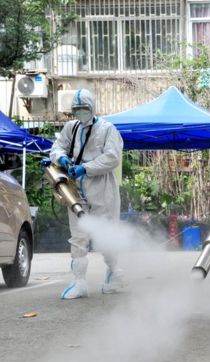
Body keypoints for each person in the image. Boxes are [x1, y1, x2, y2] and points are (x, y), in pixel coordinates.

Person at [49, 88, 124, 299]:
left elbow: (112, 157)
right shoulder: (70, 128)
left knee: (106, 235)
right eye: (77, 109)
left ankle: (114, 274)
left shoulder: (107, 129)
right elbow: (57, 147)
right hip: (75, 187)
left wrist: (87, 167)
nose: (80, 112)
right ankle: (80, 282)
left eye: (85, 108)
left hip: (102, 188)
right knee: (78, 236)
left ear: (92, 108)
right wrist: (62, 158)